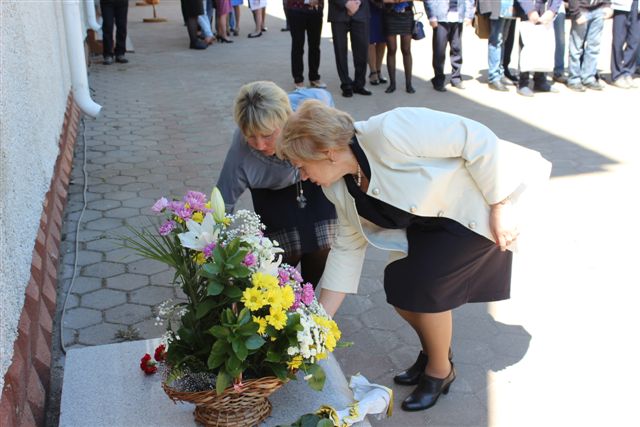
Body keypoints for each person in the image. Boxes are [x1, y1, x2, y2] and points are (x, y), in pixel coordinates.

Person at [277, 100, 551, 412]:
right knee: (400, 288)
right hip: (429, 226)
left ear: (325, 152)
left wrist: (500, 203)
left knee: (424, 288)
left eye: (301, 165)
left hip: (475, 211)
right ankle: (435, 351)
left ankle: (440, 370)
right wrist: (317, 323)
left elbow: (476, 138)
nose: (302, 175)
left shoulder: (390, 131)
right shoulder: (337, 186)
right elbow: (347, 248)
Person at [216, 82, 338, 286]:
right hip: (272, 194)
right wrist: (216, 252)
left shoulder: (309, 111)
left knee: (323, 246)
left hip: (313, 182)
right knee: (284, 255)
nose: (260, 145)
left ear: (287, 121)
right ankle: (284, 301)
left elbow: (325, 97)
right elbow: (222, 202)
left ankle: (307, 295)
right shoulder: (240, 154)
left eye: (267, 135)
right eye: (250, 136)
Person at [479, 0, 538, 91]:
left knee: (503, 40)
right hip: (498, 7)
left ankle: (500, 73)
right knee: (496, 41)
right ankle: (493, 77)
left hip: (509, 8)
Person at [425, 0, 475, 91]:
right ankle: (438, 79)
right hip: (440, 17)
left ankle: (456, 78)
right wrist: (431, 16)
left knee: (457, 49)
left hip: (458, 16)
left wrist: (469, 15)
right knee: (439, 51)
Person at [516, 0, 562, 97]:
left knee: (544, 45)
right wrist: (529, 10)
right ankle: (523, 82)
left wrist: (553, 10)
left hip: (546, 9)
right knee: (527, 46)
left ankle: (540, 80)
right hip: (529, 9)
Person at [328, 0, 372, 97]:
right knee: (340, 50)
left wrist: (357, 2)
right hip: (338, 11)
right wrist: (346, 3)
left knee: (362, 50)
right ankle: (346, 84)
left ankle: (359, 84)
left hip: (361, 11)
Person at [566, 0, 613, 91]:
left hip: (599, 10)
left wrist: (607, 5)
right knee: (576, 47)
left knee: (594, 47)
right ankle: (574, 79)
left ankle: (589, 77)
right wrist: (576, 13)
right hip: (581, 10)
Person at [286, 0, 326, 89]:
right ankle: (298, 79)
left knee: (315, 45)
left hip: (315, 10)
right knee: (298, 45)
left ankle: (314, 77)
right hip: (296, 9)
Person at [382, 0, 415, 93]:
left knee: (406, 49)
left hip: (406, 14)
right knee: (391, 49)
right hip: (390, 14)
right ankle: (392, 84)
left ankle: (409, 84)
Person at [610, 0, 640, 88]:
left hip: (637, 6)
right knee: (618, 42)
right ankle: (617, 75)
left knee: (634, 41)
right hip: (621, 5)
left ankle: (627, 72)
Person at [100, 0, 129, 64]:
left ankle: (120, 53)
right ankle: (108, 54)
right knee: (108, 26)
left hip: (122, 2)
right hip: (107, 3)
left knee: (122, 26)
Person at [368, 0, 388, 85]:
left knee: (382, 39)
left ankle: (378, 69)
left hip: (385, 8)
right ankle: (373, 72)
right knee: (370, 39)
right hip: (369, 7)